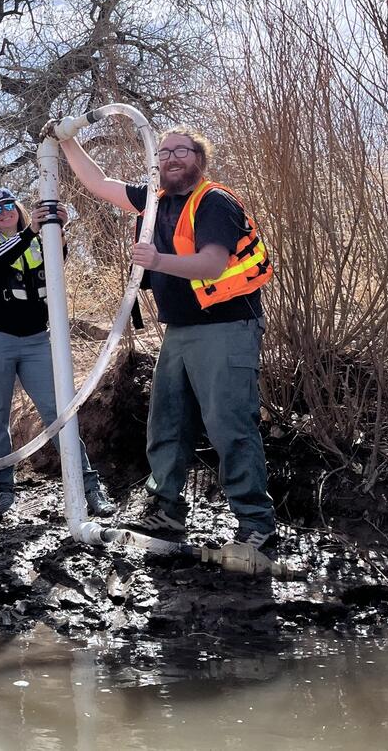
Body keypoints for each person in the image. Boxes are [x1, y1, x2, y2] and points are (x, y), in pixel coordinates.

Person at [56, 124, 276, 550]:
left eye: (183, 151)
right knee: (167, 423)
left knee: (230, 425)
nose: (172, 157)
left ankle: (256, 523)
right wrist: (66, 139)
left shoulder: (214, 202)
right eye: (164, 152)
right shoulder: (154, 200)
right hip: (181, 331)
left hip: (227, 328)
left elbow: (212, 264)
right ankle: (167, 512)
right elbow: (99, 182)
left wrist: (158, 258)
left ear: (200, 160)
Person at [0, 187, 116, 520]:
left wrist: (58, 230)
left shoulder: (38, 238)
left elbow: (55, 265)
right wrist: (32, 230)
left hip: (37, 339)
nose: (5, 212)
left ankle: (89, 487)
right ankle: (5, 492)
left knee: (58, 412)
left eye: (9, 205)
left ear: (18, 208)